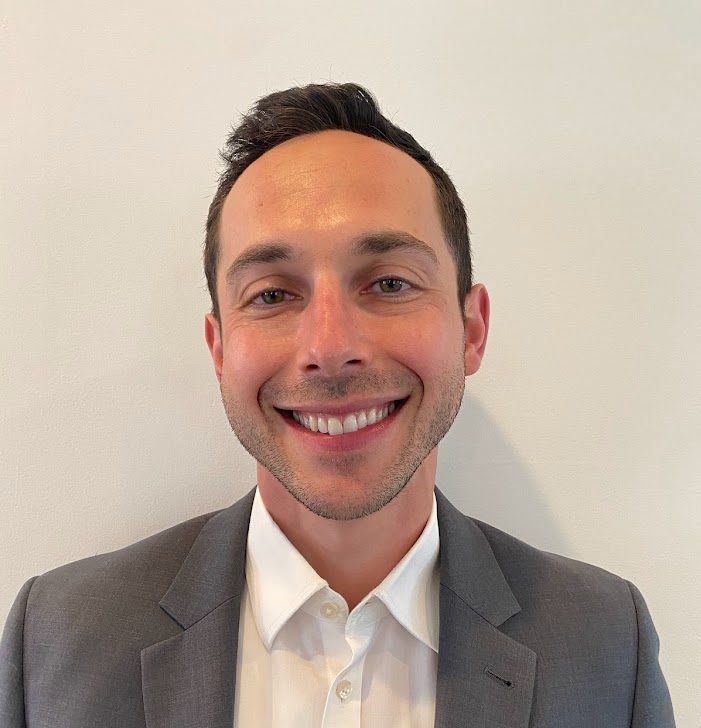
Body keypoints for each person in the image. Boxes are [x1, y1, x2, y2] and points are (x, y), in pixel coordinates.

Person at [0, 82, 674, 727]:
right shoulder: (57, 640)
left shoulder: (605, 644)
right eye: (271, 294)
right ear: (219, 348)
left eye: (389, 283)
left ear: (471, 330)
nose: (329, 347)